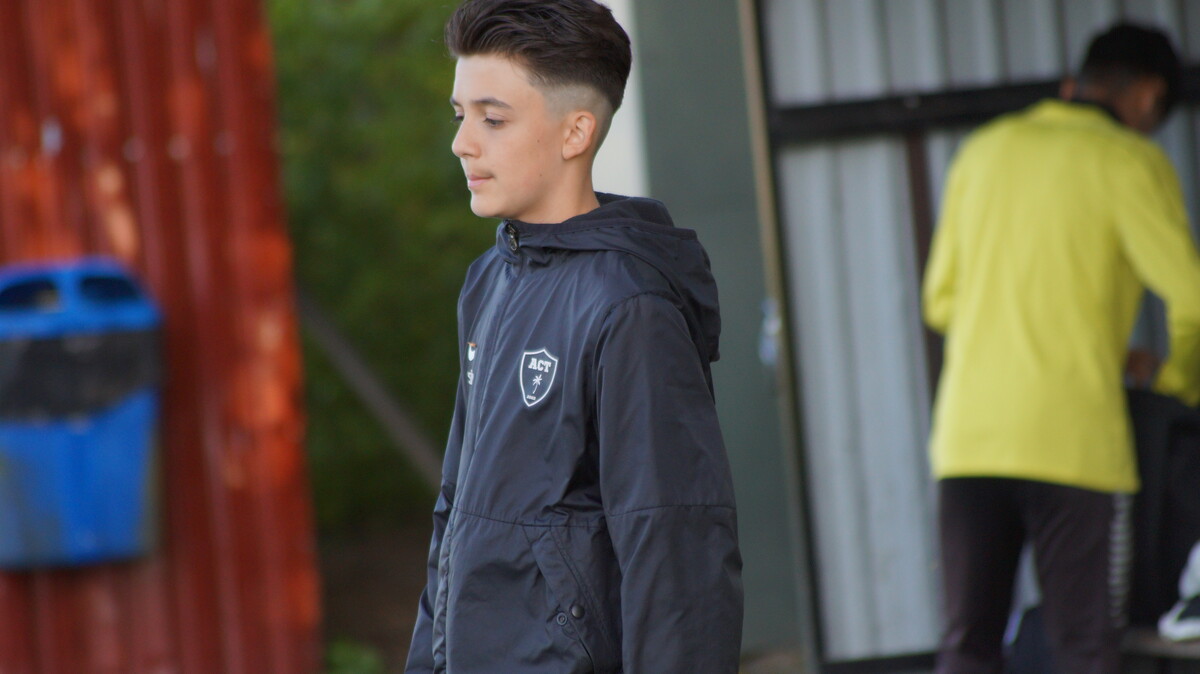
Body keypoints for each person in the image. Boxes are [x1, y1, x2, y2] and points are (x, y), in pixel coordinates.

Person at [404, 1, 744, 672]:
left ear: (575, 132)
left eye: (492, 118)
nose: (463, 142)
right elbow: (455, 510)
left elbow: (676, 547)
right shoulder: (489, 282)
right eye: (459, 115)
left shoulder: (629, 304)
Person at [923, 22, 1200, 674]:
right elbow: (1192, 298)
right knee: (1084, 650)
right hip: (1074, 448)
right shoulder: (1128, 161)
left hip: (970, 441)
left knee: (968, 645)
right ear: (1148, 95)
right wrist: (1177, 387)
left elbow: (941, 302)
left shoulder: (983, 152)